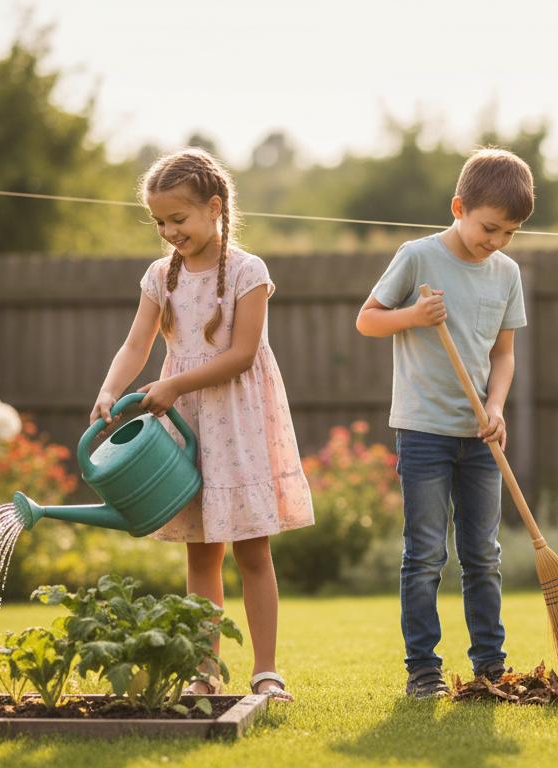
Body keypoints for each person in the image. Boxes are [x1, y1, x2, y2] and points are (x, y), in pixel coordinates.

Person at [90, 148, 313, 701]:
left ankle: (266, 670)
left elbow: (241, 355)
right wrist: (110, 389)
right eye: (160, 222)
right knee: (201, 551)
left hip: (236, 422)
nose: (168, 231)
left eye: (178, 219)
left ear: (215, 208)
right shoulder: (157, 278)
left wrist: (170, 387)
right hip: (186, 423)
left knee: (252, 551)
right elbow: (136, 343)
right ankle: (205, 671)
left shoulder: (247, 271)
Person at [355, 148, 532, 698]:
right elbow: (367, 320)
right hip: (424, 431)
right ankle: (424, 671)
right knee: (426, 553)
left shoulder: (506, 272)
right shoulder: (417, 257)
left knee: (484, 554)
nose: (497, 241)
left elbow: (503, 355)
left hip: (480, 433)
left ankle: (489, 667)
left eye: (509, 232)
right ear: (459, 206)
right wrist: (412, 316)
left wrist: (497, 407)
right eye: (489, 227)